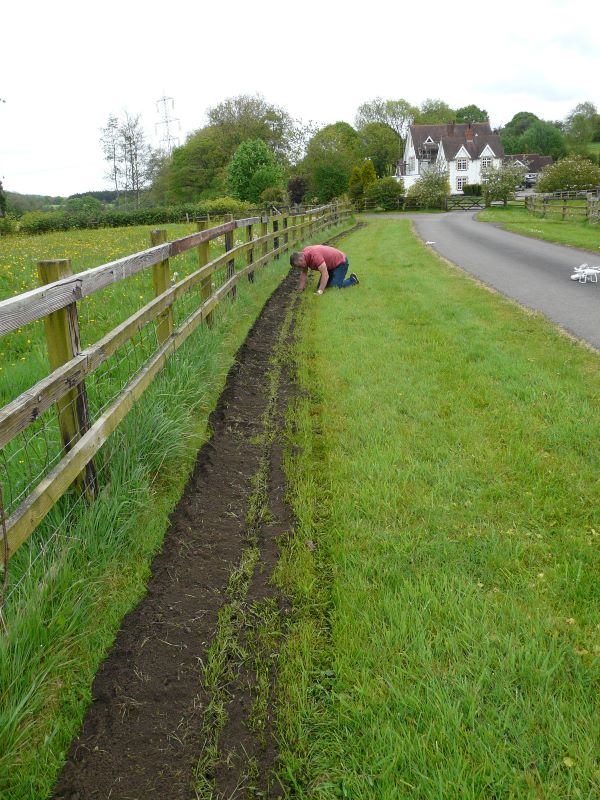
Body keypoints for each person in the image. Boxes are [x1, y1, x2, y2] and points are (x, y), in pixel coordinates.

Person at [289, 245, 359, 295]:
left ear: (301, 260)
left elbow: (325, 274)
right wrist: (300, 289)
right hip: (329, 266)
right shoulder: (304, 256)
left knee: (335, 286)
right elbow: (304, 274)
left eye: (298, 266)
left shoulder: (315, 256)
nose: (299, 268)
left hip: (340, 262)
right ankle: (334, 280)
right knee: (322, 286)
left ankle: (352, 280)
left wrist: (320, 291)